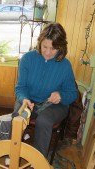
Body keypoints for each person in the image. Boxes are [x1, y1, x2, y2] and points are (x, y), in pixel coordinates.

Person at [14, 22, 77, 158]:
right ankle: (12, 155)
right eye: (45, 47)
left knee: (44, 121)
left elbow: (72, 93)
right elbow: (21, 87)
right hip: (29, 101)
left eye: (53, 49)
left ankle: (38, 162)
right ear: (40, 43)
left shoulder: (65, 66)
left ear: (61, 48)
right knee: (17, 117)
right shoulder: (27, 59)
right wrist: (24, 98)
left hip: (54, 105)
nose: (48, 52)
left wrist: (60, 95)